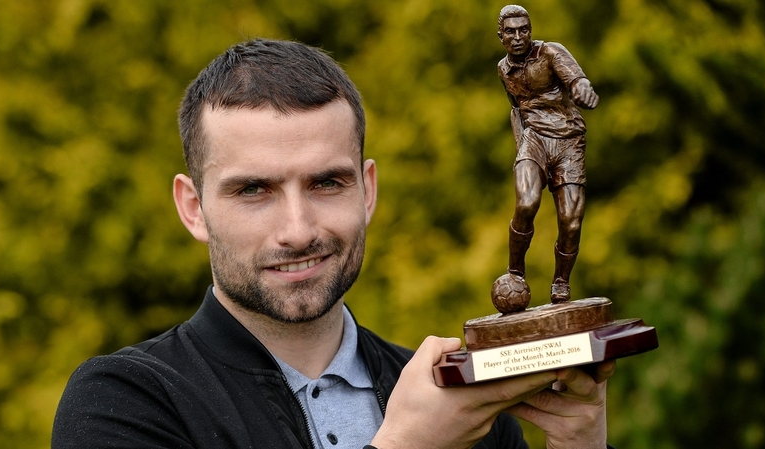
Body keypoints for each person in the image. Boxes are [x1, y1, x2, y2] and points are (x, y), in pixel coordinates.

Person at [52, 38, 614, 449]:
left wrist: (582, 442)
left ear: (366, 191)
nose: (298, 229)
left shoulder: (463, 411)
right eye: (254, 190)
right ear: (193, 208)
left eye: (326, 183)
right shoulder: (122, 403)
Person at [495, 5, 599, 305]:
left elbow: (577, 80)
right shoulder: (503, 69)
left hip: (568, 142)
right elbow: (516, 108)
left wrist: (583, 90)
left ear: (531, 30)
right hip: (534, 139)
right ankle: (515, 271)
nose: (518, 37)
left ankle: (561, 282)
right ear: (501, 36)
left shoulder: (551, 52)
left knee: (571, 221)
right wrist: (521, 148)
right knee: (526, 203)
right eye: (511, 32)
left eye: (524, 30)